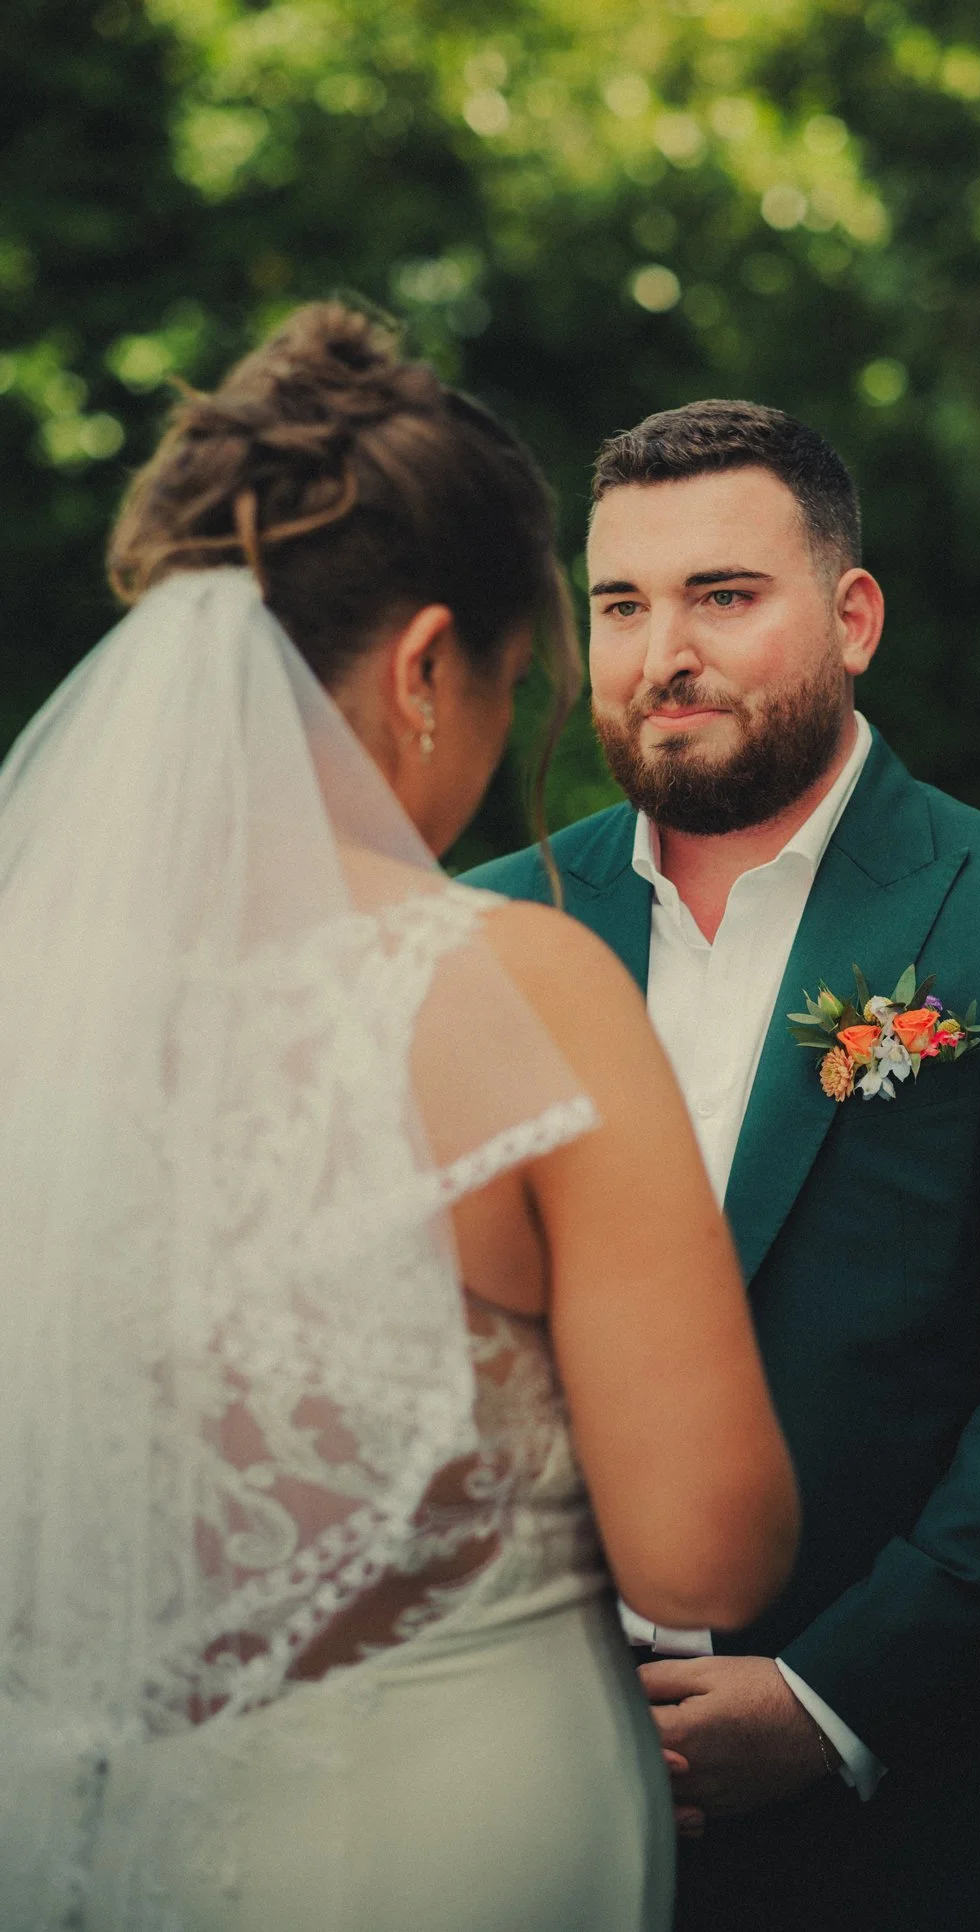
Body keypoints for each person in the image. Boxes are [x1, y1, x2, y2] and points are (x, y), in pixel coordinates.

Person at [0, 314, 799, 1932]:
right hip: (435, 1839)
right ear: (428, 664)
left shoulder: (36, 998)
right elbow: (706, 1556)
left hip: (95, 1837)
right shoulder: (514, 987)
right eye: (515, 685)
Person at [463, 400, 980, 1932]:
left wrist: (829, 1701)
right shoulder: (490, 931)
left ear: (852, 616)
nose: (662, 649)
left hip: (952, 1823)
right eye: (621, 604)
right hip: (538, 1799)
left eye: (723, 597)